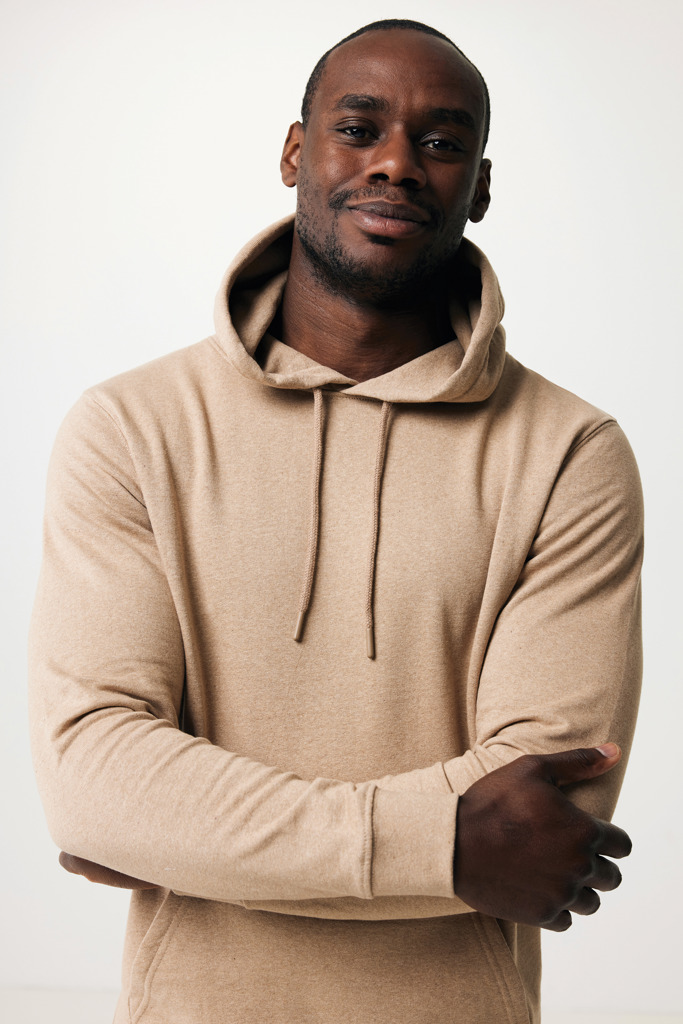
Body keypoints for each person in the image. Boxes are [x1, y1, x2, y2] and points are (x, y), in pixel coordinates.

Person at [28, 18, 642, 1024]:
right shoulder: (133, 428)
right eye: (358, 128)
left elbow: (545, 812)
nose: (396, 162)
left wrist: (192, 835)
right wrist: (443, 845)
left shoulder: (568, 451)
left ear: (480, 187)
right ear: (293, 153)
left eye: (440, 142)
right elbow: (95, 782)